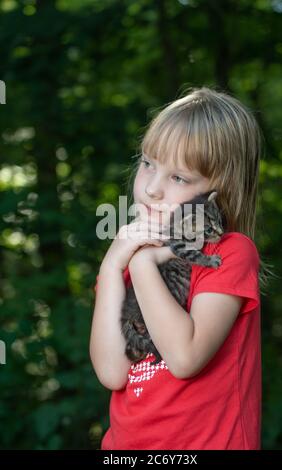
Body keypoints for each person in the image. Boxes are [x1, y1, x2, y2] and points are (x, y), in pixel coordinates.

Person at [90, 86, 264, 450]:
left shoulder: (230, 254)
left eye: (178, 178)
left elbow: (185, 358)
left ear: (218, 191)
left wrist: (140, 263)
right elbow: (112, 372)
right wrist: (110, 269)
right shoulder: (125, 265)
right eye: (148, 163)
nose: (151, 189)